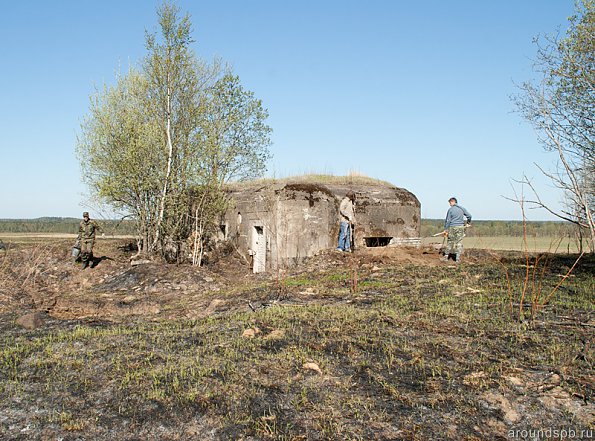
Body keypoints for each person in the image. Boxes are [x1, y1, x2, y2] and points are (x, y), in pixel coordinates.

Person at [441, 197, 472, 262]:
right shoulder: (462, 209)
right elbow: (469, 216)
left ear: (453, 202)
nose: (450, 204)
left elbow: (448, 220)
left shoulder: (450, 210)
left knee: (450, 242)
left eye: (450, 203)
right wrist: (468, 222)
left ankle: (446, 257)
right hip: (460, 227)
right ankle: (457, 259)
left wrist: (445, 229)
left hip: (452, 227)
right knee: (459, 242)